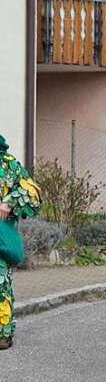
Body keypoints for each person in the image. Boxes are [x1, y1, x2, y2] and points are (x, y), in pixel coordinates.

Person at [0, 135, 41, 350]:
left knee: (0, 285)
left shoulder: (8, 164)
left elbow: (32, 192)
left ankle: (3, 334)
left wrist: (8, 204)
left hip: (0, 238)